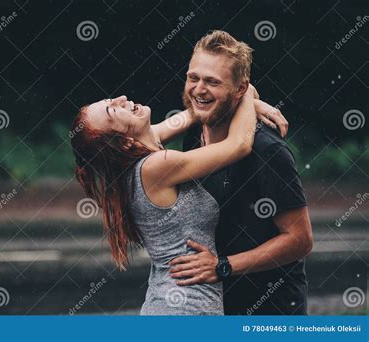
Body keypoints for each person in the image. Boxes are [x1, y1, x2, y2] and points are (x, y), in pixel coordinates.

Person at [70, 84, 285, 314]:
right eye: (113, 111)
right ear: (124, 143)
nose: (122, 98)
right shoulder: (156, 166)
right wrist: (246, 91)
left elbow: (195, 113)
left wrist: (242, 100)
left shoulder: (142, 151)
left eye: (110, 99)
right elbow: (239, 146)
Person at [169, 30, 313, 315]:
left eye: (213, 82)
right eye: (193, 78)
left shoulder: (268, 150)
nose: (199, 89)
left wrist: (223, 265)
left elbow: (301, 239)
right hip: (215, 304)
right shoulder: (193, 134)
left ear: (239, 89)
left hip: (272, 310)